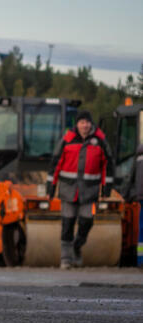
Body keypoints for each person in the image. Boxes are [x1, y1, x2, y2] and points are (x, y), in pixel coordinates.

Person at [48, 110, 113, 268]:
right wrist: (51, 187)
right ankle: (66, 259)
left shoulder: (100, 141)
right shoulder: (67, 140)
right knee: (67, 224)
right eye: (82, 122)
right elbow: (55, 163)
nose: (85, 125)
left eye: (87, 122)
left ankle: (77, 245)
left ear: (91, 124)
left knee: (87, 221)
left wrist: (107, 188)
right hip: (68, 190)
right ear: (77, 124)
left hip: (90, 192)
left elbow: (108, 165)